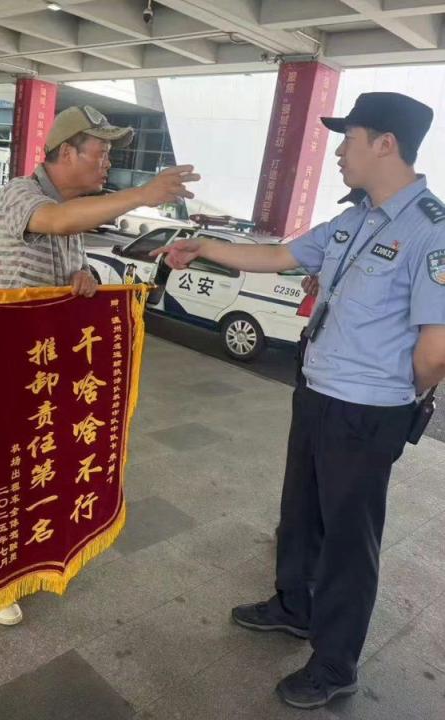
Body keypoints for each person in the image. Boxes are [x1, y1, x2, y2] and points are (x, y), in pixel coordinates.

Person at [152, 92, 445, 710]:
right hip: (315, 391)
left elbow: (437, 350)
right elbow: (281, 255)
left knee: (348, 540)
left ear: (385, 144)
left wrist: (392, 395)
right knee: (301, 512)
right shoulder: (355, 219)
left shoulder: (432, 230)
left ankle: (335, 662)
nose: (339, 152)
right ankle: (293, 606)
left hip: (367, 411)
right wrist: (202, 247)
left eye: (349, 139)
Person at [0, 105, 199, 625]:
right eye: (100, 153)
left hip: (54, 365)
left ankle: (33, 557)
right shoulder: (22, 194)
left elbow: (73, 257)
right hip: (14, 365)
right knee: (7, 475)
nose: (107, 164)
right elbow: (54, 221)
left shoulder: (73, 212)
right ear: (66, 152)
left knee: (46, 469)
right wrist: (144, 195)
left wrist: (82, 277)